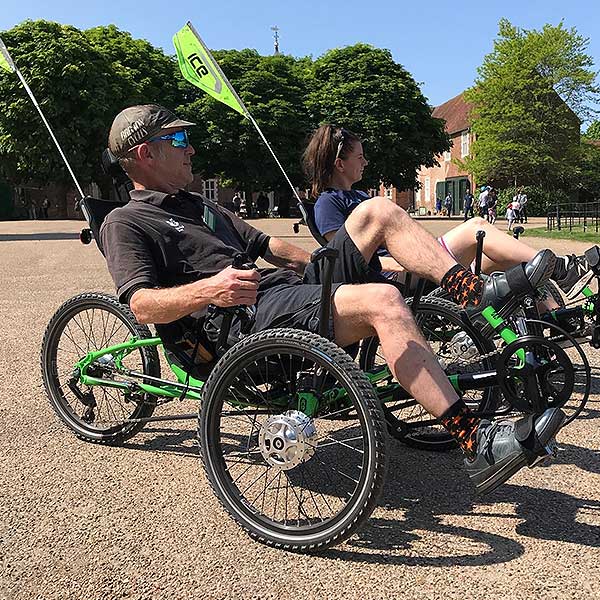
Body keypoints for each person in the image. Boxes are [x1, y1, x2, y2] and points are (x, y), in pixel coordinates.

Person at [99, 104, 564, 495]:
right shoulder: (126, 222)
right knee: (382, 300)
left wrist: (328, 262)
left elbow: (271, 249)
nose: (191, 148)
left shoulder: (203, 206)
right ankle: (475, 442)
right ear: (145, 153)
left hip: (278, 294)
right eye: (179, 140)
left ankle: (475, 291)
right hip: (235, 321)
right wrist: (209, 289)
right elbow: (140, 305)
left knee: (377, 212)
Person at [304, 125, 600, 300]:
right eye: (360, 157)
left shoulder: (358, 195)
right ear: (340, 164)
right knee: (477, 226)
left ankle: (552, 321)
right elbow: (347, 262)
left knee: (502, 263)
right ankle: (563, 270)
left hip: (417, 263)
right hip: (401, 273)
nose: (365, 162)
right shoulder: (328, 203)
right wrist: (414, 263)